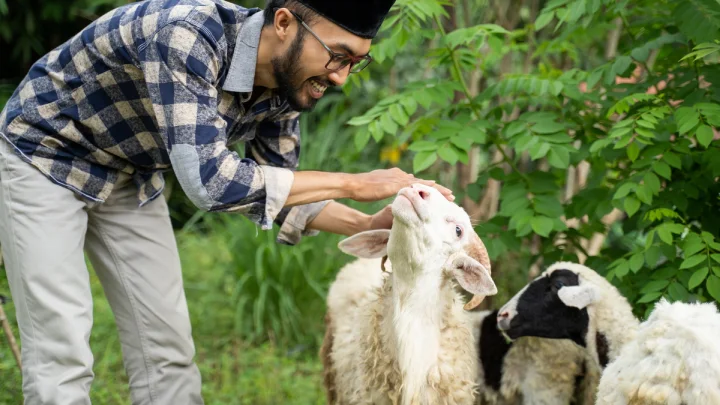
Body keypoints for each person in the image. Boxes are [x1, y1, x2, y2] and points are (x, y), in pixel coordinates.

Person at [0, 0, 454, 403]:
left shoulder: (289, 84)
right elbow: (210, 182)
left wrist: (366, 224)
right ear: (283, 23)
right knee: (62, 351)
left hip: (131, 172)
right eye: (337, 55)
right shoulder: (187, 35)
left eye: (356, 62)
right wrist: (354, 183)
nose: (339, 76)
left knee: (168, 347)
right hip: (46, 154)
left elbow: (284, 189)